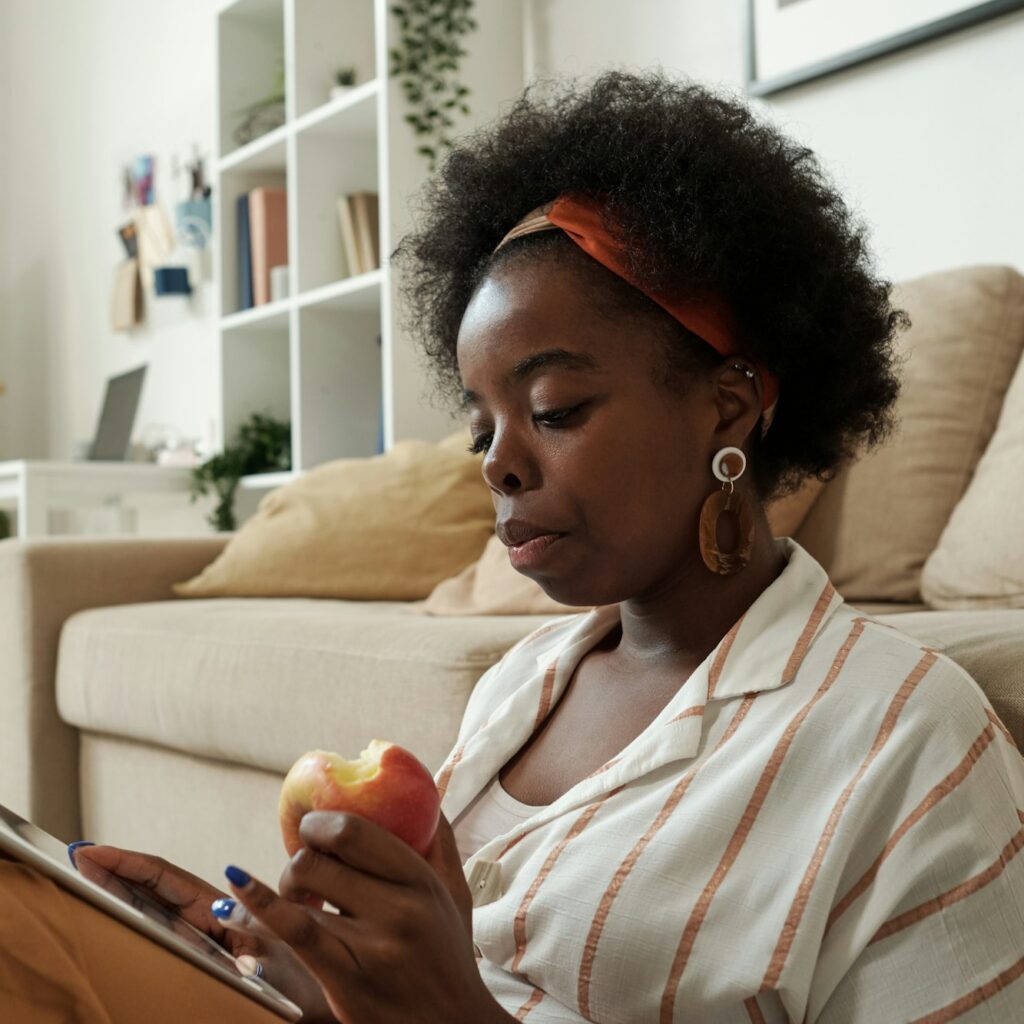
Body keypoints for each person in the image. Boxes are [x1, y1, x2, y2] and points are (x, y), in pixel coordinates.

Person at [3, 68, 1023, 1023]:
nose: (497, 464)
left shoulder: (906, 740)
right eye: (483, 427)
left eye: (555, 407)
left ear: (729, 404)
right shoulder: (520, 686)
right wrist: (268, 956)